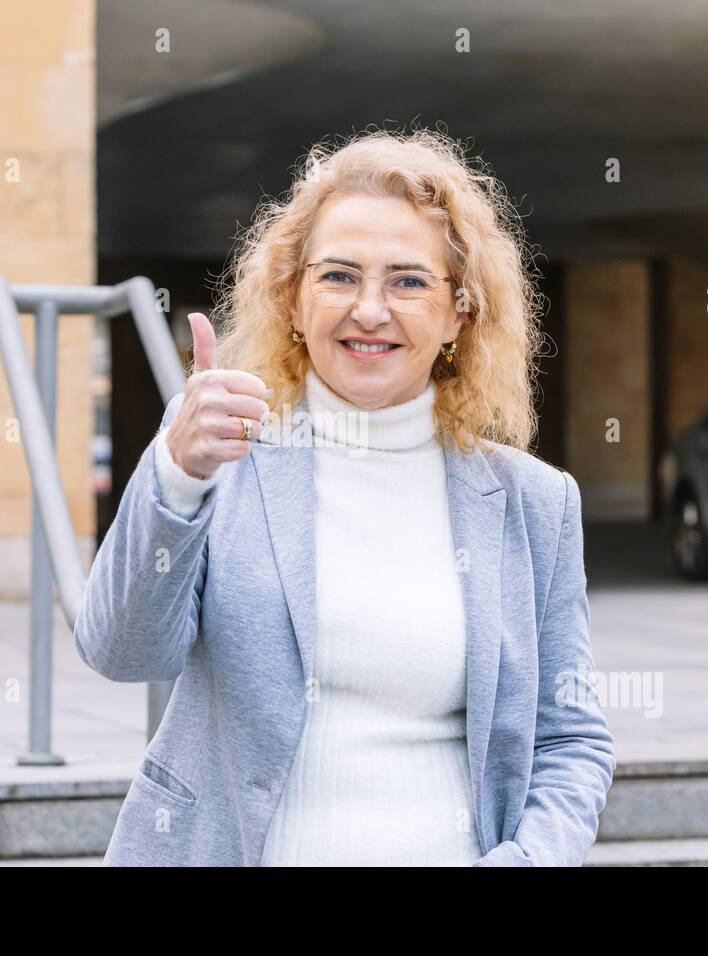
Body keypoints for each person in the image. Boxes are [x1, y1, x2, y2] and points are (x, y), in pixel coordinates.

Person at [75, 127, 615, 866]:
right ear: (292, 299)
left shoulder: (535, 502)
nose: (369, 309)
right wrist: (179, 475)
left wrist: (531, 860)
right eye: (338, 276)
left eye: (408, 280)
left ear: (460, 311)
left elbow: (571, 736)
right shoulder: (219, 452)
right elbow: (121, 649)